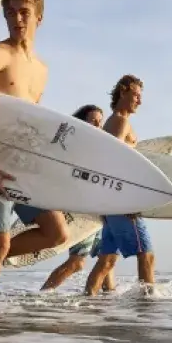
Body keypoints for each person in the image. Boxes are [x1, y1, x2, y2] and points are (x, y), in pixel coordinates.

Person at [0, 0, 69, 302]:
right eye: (10, 13)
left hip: (24, 164)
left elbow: (30, 122)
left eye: (24, 12)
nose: (17, 19)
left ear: (39, 17)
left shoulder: (41, 70)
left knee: (56, 233)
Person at [84, 74, 155, 296]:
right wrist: (125, 202)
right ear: (123, 92)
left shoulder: (114, 121)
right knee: (146, 255)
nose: (139, 101)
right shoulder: (120, 122)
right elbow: (108, 162)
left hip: (111, 202)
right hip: (121, 201)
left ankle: (88, 302)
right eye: (136, 95)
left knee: (106, 262)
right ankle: (147, 308)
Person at [39, 105, 116, 292]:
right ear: (82, 122)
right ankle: (40, 298)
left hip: (98, 211)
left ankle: (106, 307)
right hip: (81, 211)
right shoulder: (74, 148)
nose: (98, 125)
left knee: (108, 260)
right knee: (77, 263)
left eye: (100, 121)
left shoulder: (99, 148)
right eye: (94, 121)